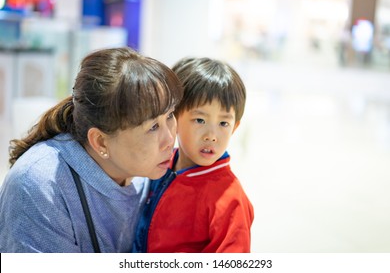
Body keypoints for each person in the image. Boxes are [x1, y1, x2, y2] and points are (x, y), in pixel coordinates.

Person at [0, 47, 183, 253]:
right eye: (152, 127)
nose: (170, 139)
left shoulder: (149, 174)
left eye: (170, 115)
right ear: (101, 142)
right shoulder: (39, 185)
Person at [133, 57, 254, 253]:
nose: (211, 136)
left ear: (235, 127)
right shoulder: (159, 164)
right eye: (200, 120)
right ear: (173, 117)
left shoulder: (231, 200)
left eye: (223, 123)